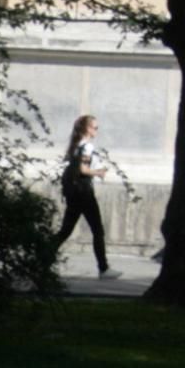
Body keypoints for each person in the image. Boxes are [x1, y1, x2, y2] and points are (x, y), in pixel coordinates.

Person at [52, 114, 119, 279]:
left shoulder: (75, 145)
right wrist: (99, 172)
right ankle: (103, 269)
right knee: (98, 230)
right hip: (84, 193)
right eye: (95, 128)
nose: (97, 131)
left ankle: (42, 260)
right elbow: (83, 169)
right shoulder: (87, 146)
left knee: (65, 231)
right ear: (87, 129)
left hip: (74, 193)